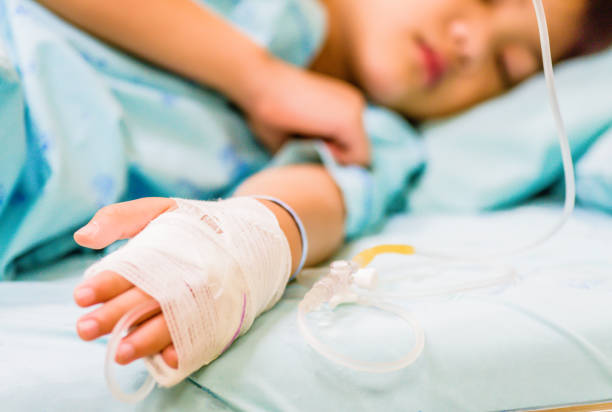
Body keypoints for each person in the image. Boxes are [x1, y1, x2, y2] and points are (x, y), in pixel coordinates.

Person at [26, 0, 611, 382]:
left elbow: (309, 199)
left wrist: (226, 242)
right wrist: (257, 78)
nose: (471, 45)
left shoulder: (376, 138)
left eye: (507, 66)